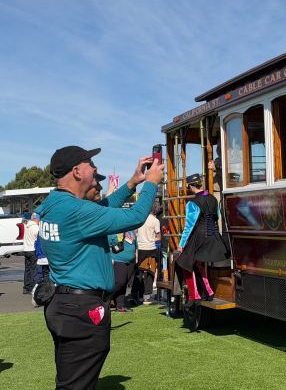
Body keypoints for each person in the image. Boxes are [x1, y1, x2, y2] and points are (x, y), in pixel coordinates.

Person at [35, 145, 164, 390]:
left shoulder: (56, 204)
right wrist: (151, 183)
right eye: (89, 163)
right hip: (80, 310)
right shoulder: (75, 210)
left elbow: (102, 208)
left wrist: (132, 183)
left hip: (64, 305)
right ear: (76, 171)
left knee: (70, 380)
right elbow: (135, 217)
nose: (94, 168)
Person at [176, 173, 230, 308]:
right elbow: (217, 217)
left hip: (200, 236)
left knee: (184, 262)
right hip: (213, 236)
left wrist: (181, 244)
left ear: (190, 186)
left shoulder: (192, 203)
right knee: (197, 264)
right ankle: (208, 291)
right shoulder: (213, 199)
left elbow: (189, 225)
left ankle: (194, 296)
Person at [132, 204, 161, 304]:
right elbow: (158, 236)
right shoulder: (155, 221)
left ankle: (135, 294)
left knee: (139, 272)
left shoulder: (141, 218)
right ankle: (147, 296)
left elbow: (135, 232)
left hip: (140, 248)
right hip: (151, 248)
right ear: (156, 211)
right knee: (150, 272)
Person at [108, 229, 137, 313]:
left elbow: (135, 243)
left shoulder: (131, 229)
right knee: (119, 282)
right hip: (118, 260)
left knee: (124, 284)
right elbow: (109, 243)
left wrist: (136, 255)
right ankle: (105, 299)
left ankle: (120, 305)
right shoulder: (114, 229)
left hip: (130, 261)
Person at [22, 212, 40, 293]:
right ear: (36, 219)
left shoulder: (27, 226)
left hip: (26, 249)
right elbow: (38, 239)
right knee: (33, 269)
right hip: (33, 250)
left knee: (27, 269)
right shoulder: (36, 227)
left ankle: (26, 287)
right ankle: (32, 287)